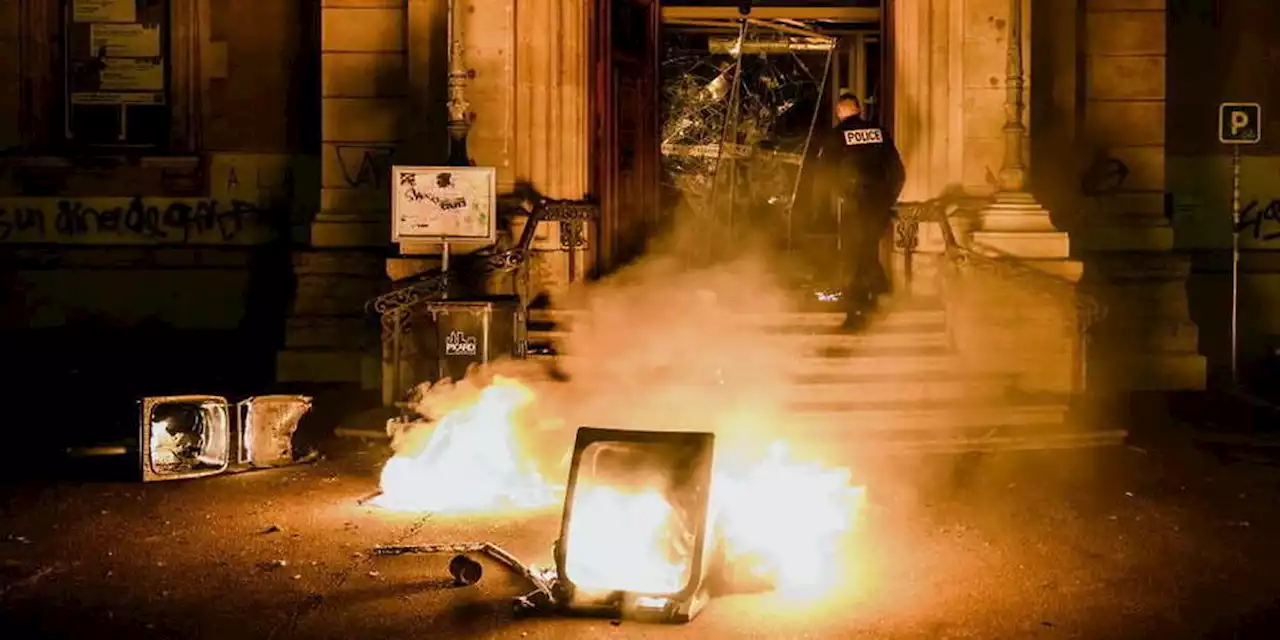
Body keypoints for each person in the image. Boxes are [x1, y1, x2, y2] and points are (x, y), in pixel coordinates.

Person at [799, 91, 906, 331]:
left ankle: (861, 310)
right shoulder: (879, 133)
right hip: (877, 206)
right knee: (866, 253)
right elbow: (898, 172)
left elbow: (825, 175)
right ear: (859, 109)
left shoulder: (837, 137)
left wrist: (826, 204)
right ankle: (877, 296)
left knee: (855, 257)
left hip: (854, 206)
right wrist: (887, 199)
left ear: (840, 112)